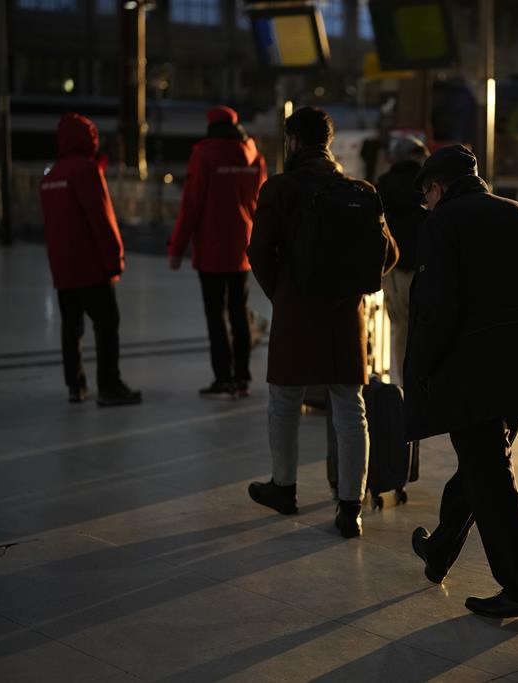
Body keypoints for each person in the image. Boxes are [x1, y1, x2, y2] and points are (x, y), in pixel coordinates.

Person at [404, 145, 518, 621]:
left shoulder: (444, 224)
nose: (427, 206)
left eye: (426, 197)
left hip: (470, 375)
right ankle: (440, 549)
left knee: (490, 477)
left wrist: (421, 368)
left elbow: (437, 309)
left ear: (436, 188)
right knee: (484, 466)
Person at [246, 106, 398, 538]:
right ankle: (350, 509)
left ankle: (284, 487)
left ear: (293, 141)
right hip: (344, 317)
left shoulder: (280, 189)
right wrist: (351, 286)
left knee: (285, 401)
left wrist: (283, 293)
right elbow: (390, 256)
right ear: (328, 143)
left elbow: (257, 252)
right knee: (351, 409)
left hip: (296, 310)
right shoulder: (358, 190)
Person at [39, 112, 142, 407]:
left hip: (63, 270)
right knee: (107, 323)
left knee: (71, 328)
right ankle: (109, 386)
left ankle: (76, 385)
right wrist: (115, 260)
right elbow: (102, 220)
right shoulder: (86, 171)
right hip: (91, 268)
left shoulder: (51, 176)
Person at [167, 106, 267, 399]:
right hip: (242, 247)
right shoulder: (253, 155)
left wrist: (177, 248)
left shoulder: (204, 155)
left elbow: (191, 205)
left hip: (212, 247)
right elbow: (260, 203)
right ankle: (242, 378)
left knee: (216, 314)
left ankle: (223, 378)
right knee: (238, 312)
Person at [376, 136, 429, 385]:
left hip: (395, 267)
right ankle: (424, 378)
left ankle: (404, 382)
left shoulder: (384, 185)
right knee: (425, 325)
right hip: (425, 265)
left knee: (400, 325)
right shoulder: (428, 185)